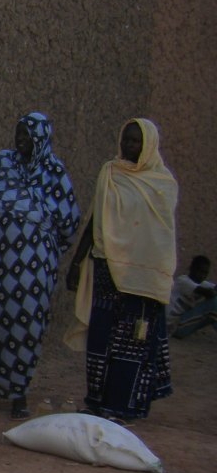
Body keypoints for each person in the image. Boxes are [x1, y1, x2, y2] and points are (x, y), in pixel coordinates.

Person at [0, 112, 80, 420]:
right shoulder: (4, 163)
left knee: (25, 324)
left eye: (28, 136)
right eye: (18, 134)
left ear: (41, 139)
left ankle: (18, 396)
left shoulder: (54, 173)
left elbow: (70, 220)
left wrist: (35, 223)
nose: (21, 140)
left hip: (34, 267)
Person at [65, 118, 178, 422]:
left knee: (132, 342)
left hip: (142, 279)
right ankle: (96, 402)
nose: (128, 145)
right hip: (106, 269)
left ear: (148, 145)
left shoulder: (163, 184)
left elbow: (160, 236)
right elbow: (95, 220)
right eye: (126, 139)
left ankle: (124, 408)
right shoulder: (110, 172)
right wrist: (77, 262)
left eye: (135, 141)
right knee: (101, 338)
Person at [168, 255, 217, 338]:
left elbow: (213, 288)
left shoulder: (201, 283)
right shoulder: (182, 281)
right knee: (214, 303)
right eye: (200, 271)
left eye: (205, 273)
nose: (202, 276)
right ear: (191, 269)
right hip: (173, 325)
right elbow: (210, 293)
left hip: (180, 323)